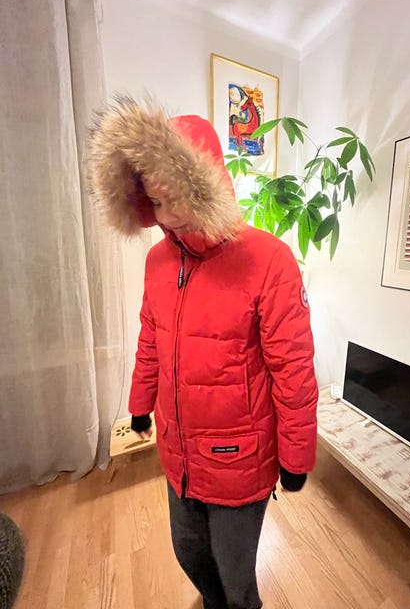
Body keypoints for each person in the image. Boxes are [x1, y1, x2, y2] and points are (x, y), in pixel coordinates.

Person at [88, 95, 319, 609]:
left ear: (206, 182)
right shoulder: (157, 262)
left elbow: (293, 369)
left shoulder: (269, 260)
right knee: (189, 553)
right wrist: (140, 404)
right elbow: (150, 338)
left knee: (237, 578)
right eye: (154, 201)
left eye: (174, 197)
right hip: (179, 449)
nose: (165, 215)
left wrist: (296, 454)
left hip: (240, 456)